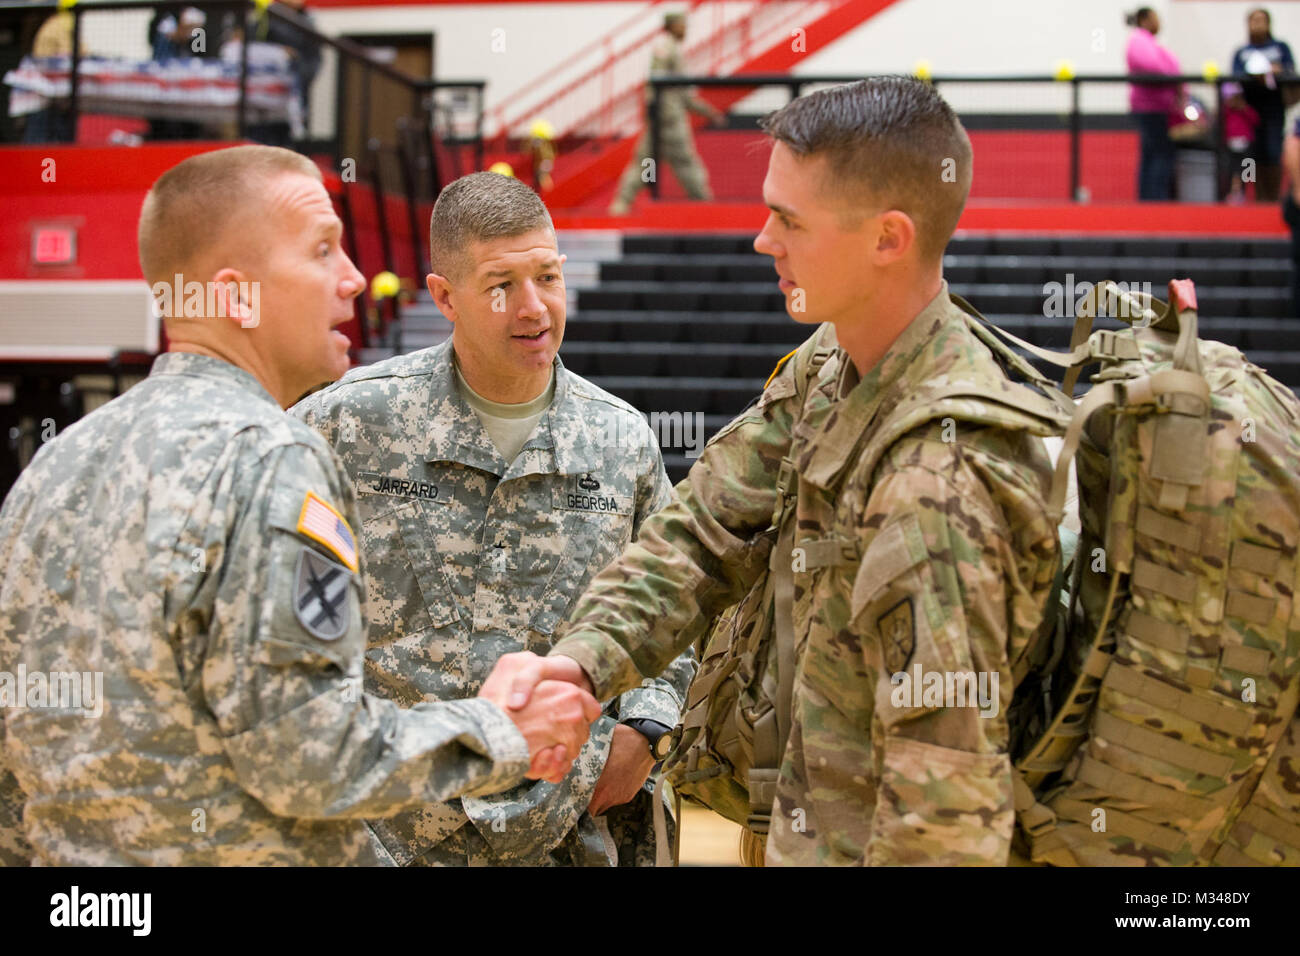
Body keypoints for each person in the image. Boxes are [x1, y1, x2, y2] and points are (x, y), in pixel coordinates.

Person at [502, 77, 1064, 866]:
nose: (764, 239)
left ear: (887, 238)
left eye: (788, 219)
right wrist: (581, 663)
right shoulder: (830, 364)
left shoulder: (946, 468)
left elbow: (945, 813)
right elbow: (702, 532)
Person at [0, 146, 600, 866]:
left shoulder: (53, 466)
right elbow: (308, 757)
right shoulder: (271, 457)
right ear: (235, 294)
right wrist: (504, 732)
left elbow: (17, 766)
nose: (352, 279)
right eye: (322, 251)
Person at [291, 171, 695, 866]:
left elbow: (676, 606)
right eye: (502, 284)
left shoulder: (619, 439)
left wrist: (647, 729)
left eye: (548, 275)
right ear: (444, 295)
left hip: (571, 834)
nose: (534, 307)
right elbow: (282, 629)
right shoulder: (345, 424)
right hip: (392, 836)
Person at [608, 11, 724, 215]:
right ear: (673, 26)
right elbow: (658, 83)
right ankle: (704, 205)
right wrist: (656, 112)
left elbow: (683, 95)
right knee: (683, 162)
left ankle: (621, 205)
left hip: (662, 118)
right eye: (682, 24)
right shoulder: (667, 47)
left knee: (645, 163)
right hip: (669, 119)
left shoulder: (671, 48)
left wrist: (706, 111)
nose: (686, 29)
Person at [1231, 7, 1297, 202]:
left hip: (1274, 108)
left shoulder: (1280, 47)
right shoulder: (1242, 52)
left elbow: (1291, 72)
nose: (1258, 24)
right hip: (1248, 112)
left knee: (1273, 151)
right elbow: (1233, 79)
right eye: (1254, 20)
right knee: (1250, 156)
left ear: (1269, 24)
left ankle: (1273, 196)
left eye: (1262, 20)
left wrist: (1278, 71)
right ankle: (1254, 196)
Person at [1125, 7, 1181, 201]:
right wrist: (1176, 78)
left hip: (1159, 107)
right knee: (1159, 154)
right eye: (1156, 18)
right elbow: (1154, 67)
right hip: (1150, 108)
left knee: (1154, 154)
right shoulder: (1139, 40)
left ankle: (1151, 198)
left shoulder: (1148, 42)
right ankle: (1154, 199)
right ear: (1145, 19)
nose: (1160, 23)